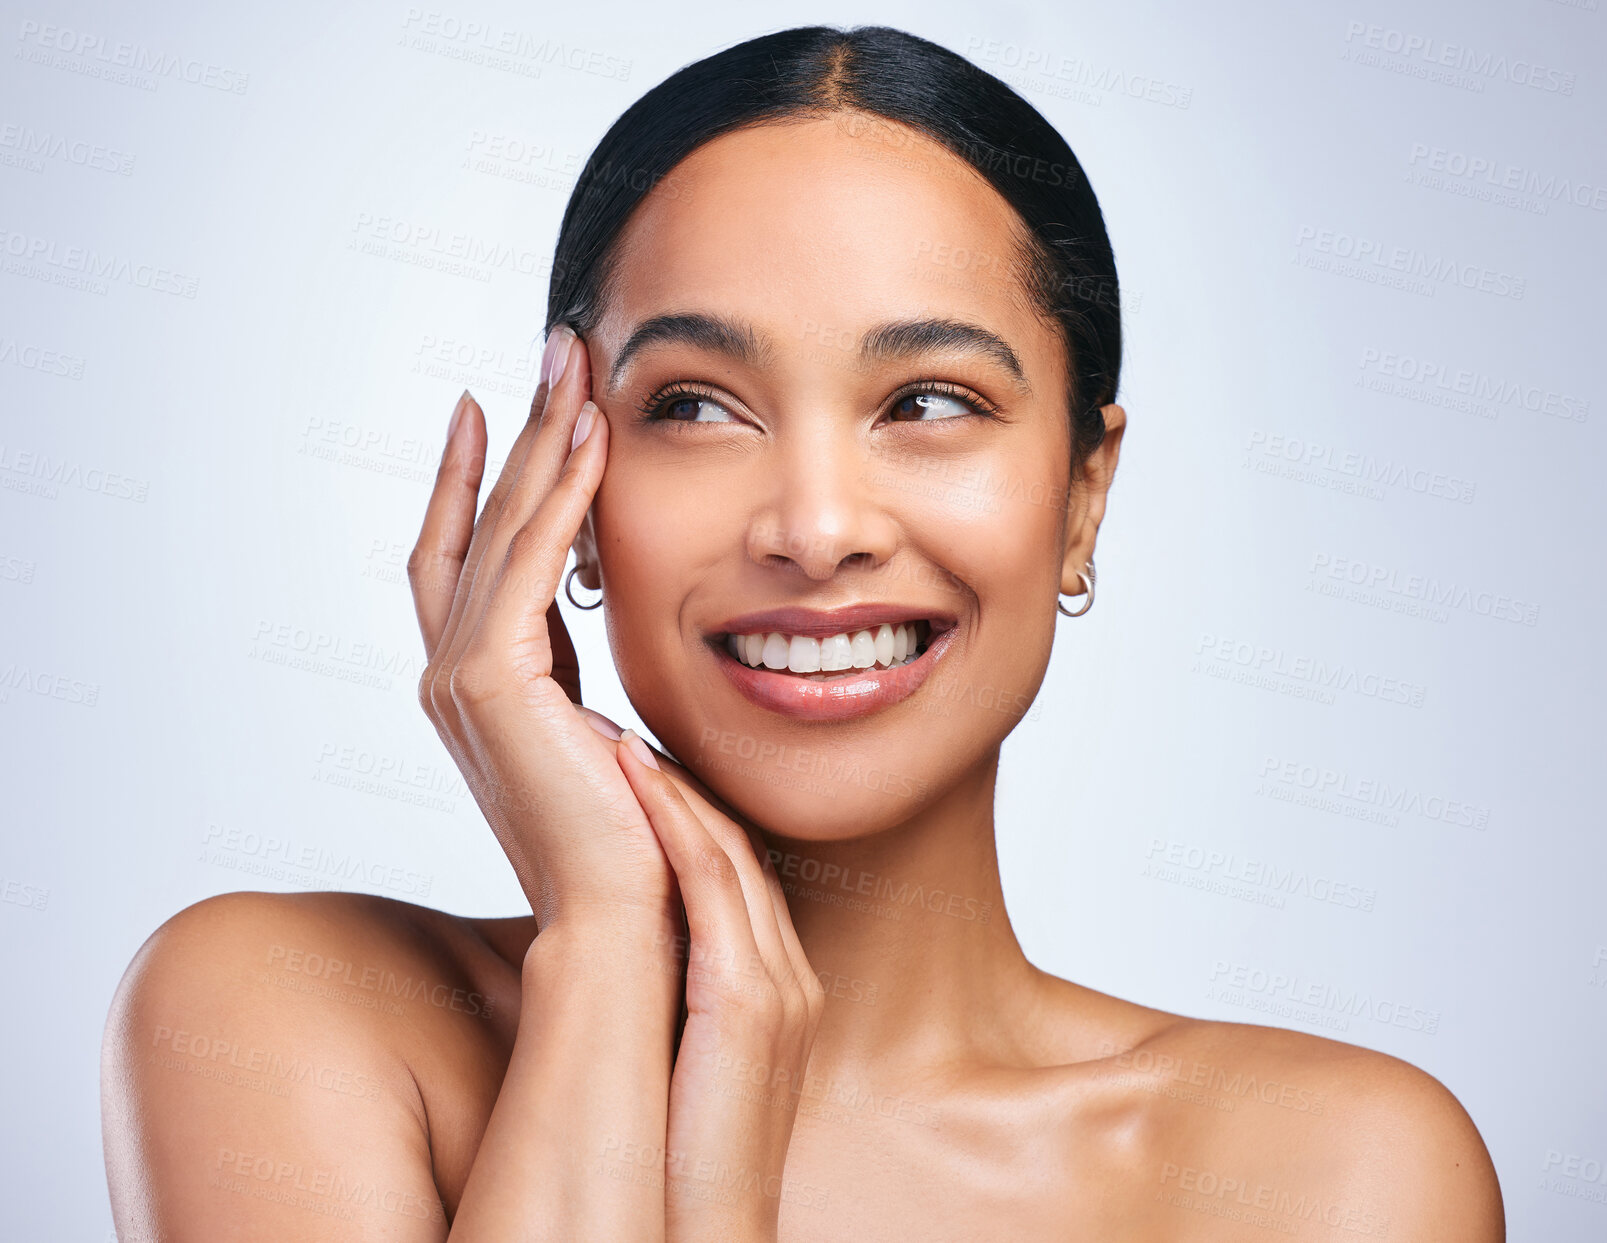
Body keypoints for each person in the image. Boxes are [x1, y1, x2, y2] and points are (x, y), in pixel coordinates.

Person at [101, 25, 1504, 1241]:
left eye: (930, 402)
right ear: (571, 496)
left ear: (1084, 496)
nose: (817, 527)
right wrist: (601, 958)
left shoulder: (1331, 1171)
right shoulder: (288, 1019)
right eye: (697, 406)